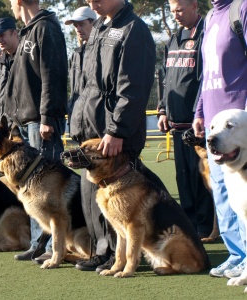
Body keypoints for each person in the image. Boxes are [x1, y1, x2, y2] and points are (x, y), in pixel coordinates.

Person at [69, 0, 167, 273]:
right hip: (94, 128)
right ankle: (104, 252)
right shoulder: (101, 26)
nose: (93, 4)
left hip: (115, 134)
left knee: (125, 204)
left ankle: (121, 257)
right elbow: (89, 85)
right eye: (88, 0)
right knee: (95, 200)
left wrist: (116, 130)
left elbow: (132, 87)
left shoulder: (133, 29)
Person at [5, 0, 68, 261]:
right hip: (26, 120)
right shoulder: (29, 31)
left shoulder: (45, 29)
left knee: (47, 190)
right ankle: (37, 243)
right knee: (31, 189)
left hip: (40, 122)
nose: (11, 8)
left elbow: (52, 75)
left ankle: (54, 246)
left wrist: (46, 116)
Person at [193, 0, 247, 278]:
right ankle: (236, 254)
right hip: (215, 126)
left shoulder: (242, 8)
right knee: (224, 197)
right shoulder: (211, 15)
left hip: (238, 129)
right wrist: (200, 111)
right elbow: (207, 73)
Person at [157, 0, 214, 240]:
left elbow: (204, 78)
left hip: (197, 125)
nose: (175, 15)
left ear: (194, 5)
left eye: (180, 9)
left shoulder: (205, 33)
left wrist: (200, 114)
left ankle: (207, 226)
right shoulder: (174, 38)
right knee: (183, 177)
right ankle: (190, 224)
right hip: (176, 125)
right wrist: (162, 110)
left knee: (201, 178)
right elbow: (165, 76)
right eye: (172, 11)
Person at [64, 6, 97, 128]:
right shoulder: (75, 56)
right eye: (75, 25)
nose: (78, 29)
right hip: (79, 122)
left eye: (82, 24)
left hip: (97, 123)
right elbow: (74, 91)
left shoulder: (103, 52)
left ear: (94, 23)